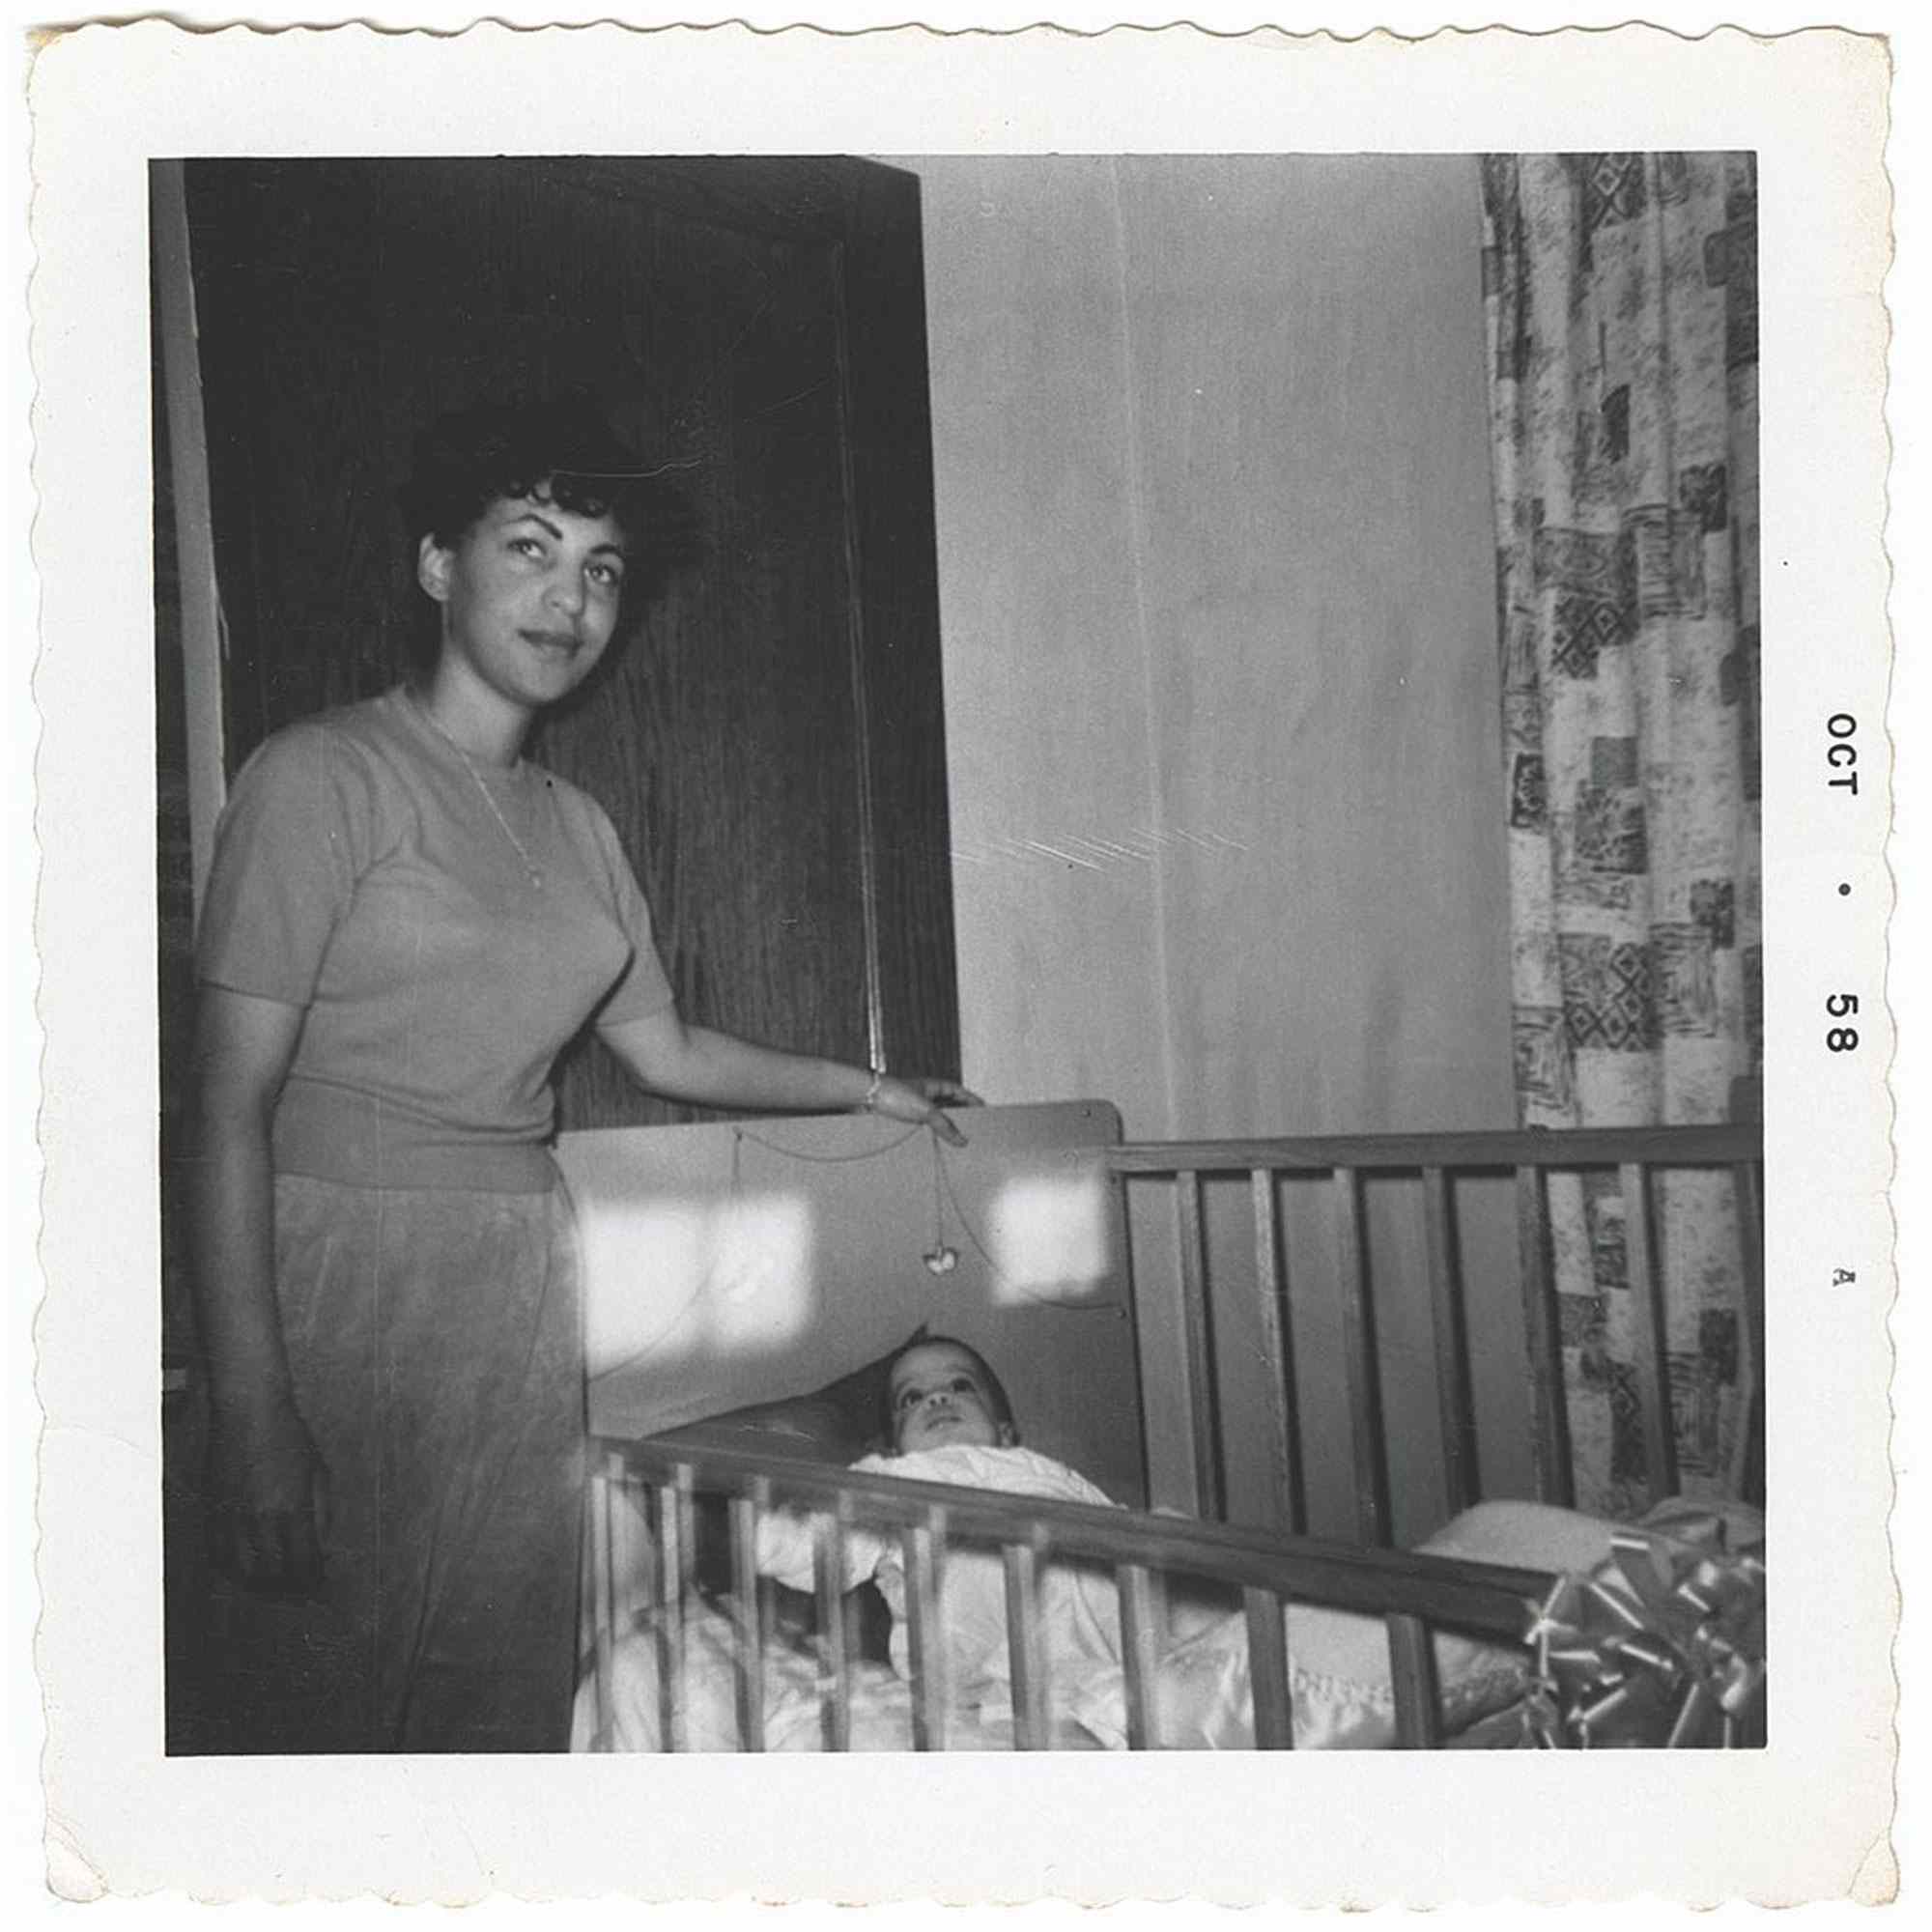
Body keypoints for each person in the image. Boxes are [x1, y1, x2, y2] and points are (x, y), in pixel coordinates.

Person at [186, 391, 975, 1753]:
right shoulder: (322, 778)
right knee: (311, 1701)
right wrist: (252, 1406)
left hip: (514, 1275)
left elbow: (666, 1049)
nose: (571, 599)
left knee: (490, 1691)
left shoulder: (581, 825)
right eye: (530, 549)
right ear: (439, 565)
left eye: (601, 569)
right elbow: (219, 1109)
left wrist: (872, 1088)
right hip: (336, 1262)